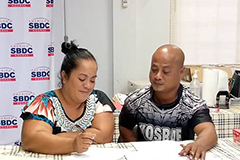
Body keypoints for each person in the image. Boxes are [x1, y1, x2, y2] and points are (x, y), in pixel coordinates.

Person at [119, 44, 217, 160]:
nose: (157, 76)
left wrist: (199, 144)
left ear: (181, 72)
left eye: (165, 72)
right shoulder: (135, 101)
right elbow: (124, 127)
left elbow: (208, 131)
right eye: (154, 70)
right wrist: (135, 148)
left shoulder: (192, 104)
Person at [20, 41, 115, 154]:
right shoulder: (44, 103)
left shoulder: (98, 99)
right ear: (64, 76)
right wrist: (72, 144)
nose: (88, 86)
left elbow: (104, 136)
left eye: (92, 80)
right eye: (82, 79)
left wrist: (58, 137)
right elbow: (32, 140)